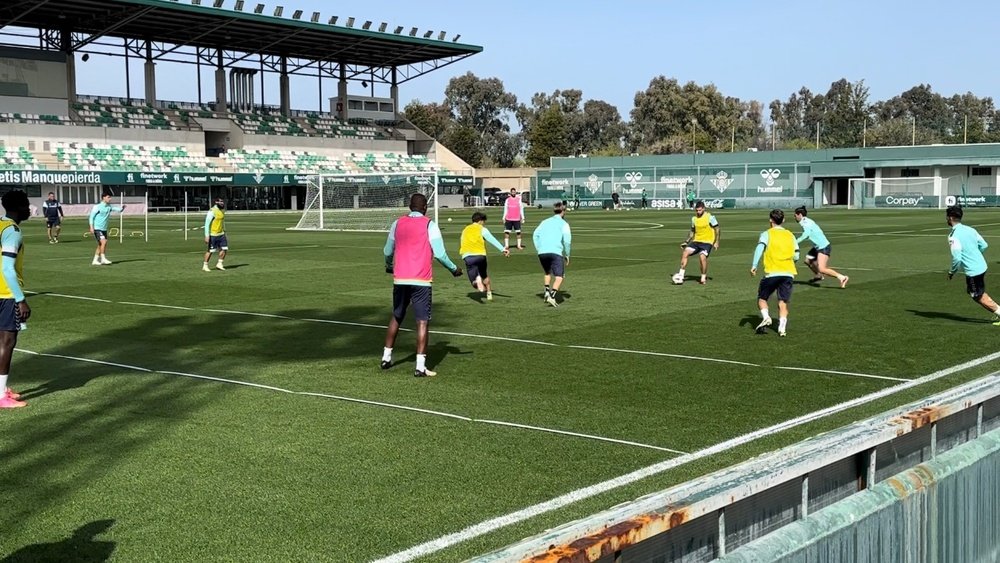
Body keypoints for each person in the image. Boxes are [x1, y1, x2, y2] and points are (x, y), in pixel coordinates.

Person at [382, 193, 463, 377]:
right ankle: (420, 366)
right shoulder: (430, 225)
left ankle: (386, 357)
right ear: (425, 207)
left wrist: (388, 265)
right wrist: (453, 269)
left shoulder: (397, 223)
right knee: (422, 321)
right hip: (421, 281)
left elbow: (387, 250)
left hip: (400, 279)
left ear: (409, 206)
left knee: (396, 316)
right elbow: (440, 254)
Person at [0, 190, 32, 408]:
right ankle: (1, 395)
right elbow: (7, 268)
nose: (29, 208)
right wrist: (20, 299)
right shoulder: (13, 231)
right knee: (7, 341)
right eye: (27, 204)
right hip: (6, 293)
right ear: (18, 207)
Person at [945, 205, 1000, 324]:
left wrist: (952, 272)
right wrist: (975, 255)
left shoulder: (953, 236)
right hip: (982, 265)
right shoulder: (970, 229)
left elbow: (956, 258)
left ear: (950, 218)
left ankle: (999, 312)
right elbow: (984, 245)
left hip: (973, 271)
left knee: (977, 295)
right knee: (975, 290)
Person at [751, 209, 799, 337]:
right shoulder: (790, 235)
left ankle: (766, 317)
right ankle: (782, 327)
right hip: (788, 273)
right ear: (783, 220)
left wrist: (754, 265)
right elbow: (796, 255)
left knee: (762, 298)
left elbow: (759, 248)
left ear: (770, 220)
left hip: (772, 272)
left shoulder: (767, 234)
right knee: (783, 302)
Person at [460, 211, 509, 301]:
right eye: (484, 221)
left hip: (468, 257)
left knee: (473, 281)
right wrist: (503, 249)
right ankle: (489, 293)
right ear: (480, 221)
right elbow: (492, 239)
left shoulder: (465, 230)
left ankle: (477, 282)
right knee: (484, 275)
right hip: (480, 256)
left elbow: (462, 242)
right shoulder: (482, 229)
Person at [794, 206, 848, 288]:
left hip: (823, 247)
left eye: (795, 215)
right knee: (807, 261)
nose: (795, 217)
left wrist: (795, 242)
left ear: (800, 215)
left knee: (822, 268)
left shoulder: (805, 222)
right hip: (817, 247)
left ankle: (842, 277)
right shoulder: (805, 221)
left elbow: (806, 234)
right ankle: (819, 275)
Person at [532, 201, 572, 307]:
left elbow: (535, 235)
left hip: (542, 252)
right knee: (559, 277)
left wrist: (539, 248)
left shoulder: (544, 221)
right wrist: (567, 254)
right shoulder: (564, 224)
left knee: (547, 272)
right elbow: (567, 241)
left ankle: (546, 292)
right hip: (555, 252)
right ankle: (552, 296)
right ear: (563, 211)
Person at [674, 200, 720, 285]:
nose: (698, 212)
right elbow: (692, 231)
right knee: (685, 252)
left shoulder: (710, 217)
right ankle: (681, 275)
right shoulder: (694, 219)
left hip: (707, 242)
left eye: (700, 210)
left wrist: (716, 241)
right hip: (696, 241)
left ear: (703, 209)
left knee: (702, 257)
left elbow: (717, 228)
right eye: (697, 210)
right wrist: (686, 241)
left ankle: (703, 276)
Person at [88, 192, 125, 266]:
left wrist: (122, 208)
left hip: (104, 229)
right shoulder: (97, 207)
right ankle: (103, 259)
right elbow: (91, 217)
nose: (110, 199)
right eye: (108, 197)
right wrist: (91, 227)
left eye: (110, 197)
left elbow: (117, 209)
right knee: (104, 241)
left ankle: (95, 260)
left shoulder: (109, 206)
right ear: (103, 197)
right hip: (97, 228)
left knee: (100, 244)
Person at [203, 197, 228, 271]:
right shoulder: (212, 211)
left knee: (224, 249)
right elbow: (207, 224)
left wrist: (225, 231)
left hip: (221, 234)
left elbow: (222, 223)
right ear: (216, 202)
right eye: (220, 202)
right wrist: (207, 235)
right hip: (213, 235)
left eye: (223, 201)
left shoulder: (222, 211)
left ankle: (219, 263)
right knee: (210, 251)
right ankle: (205, 265)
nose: (222, 203)